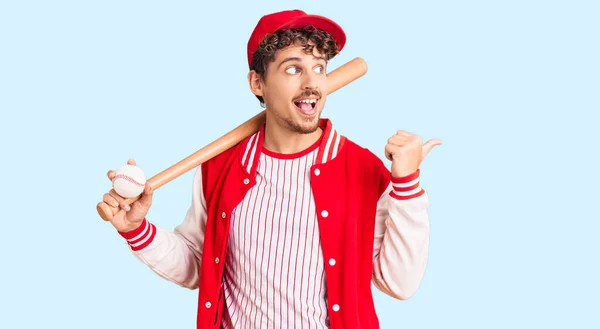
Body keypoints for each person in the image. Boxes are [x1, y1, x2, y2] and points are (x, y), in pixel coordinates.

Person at [100, 9, 441, 329]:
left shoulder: (362, 170)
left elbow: (400, 283)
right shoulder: (218, 170)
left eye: (319, 68)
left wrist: (407, 185)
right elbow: (197, 267)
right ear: (257, 83)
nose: (313, 83)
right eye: (294, 69)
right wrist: (136, 229)